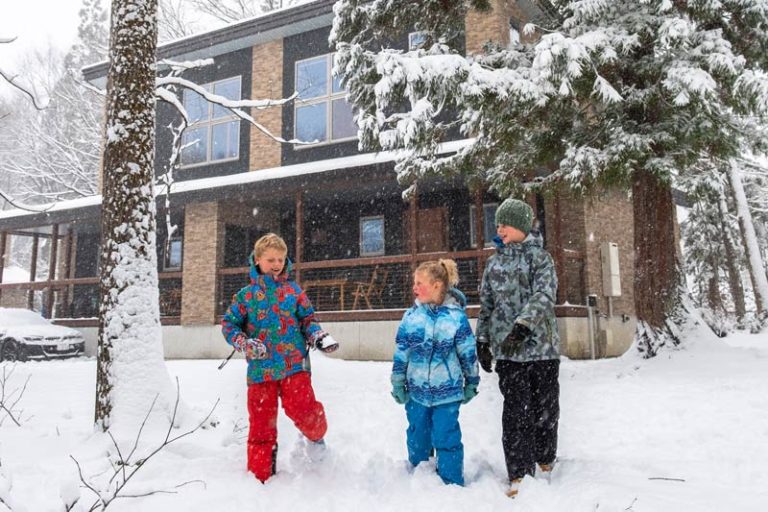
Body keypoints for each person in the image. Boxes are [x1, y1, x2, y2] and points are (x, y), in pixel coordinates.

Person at [221, 233, 339, 483]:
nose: (276, 264)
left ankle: (316, 438)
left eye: (281, 259)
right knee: (261, 426)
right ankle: (259, 478)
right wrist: (244, 342)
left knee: (305, 411)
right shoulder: (246, 296)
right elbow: (229, 325)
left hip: (294, 365)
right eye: (270, 259)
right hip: (261, 371)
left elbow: (308, 319)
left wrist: (317, 335)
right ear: (257, 260)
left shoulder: (293, 291)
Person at [475, 198, 560, 498]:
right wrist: (482, 339)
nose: (500, 228)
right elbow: (486, 304)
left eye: (506, 223)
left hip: (541, 349)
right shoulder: (494, 262)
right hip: (509, 352)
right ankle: (519, 472)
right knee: (515, 413)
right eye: (497, 223)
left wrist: (523, 325)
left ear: (523, 226)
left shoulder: (541, 259)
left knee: (544, 409)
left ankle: (545, 459)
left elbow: (544, 295)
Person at [391, 259, 480, 486]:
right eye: (415, 282)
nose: (415, 287)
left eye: (420, 283)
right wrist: (398, 383)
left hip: (447, 393)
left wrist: (471, 381)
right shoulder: (411, 318)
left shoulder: (456, 318)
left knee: (446, 436)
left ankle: (451, 482)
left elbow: (468, 352)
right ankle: (420, 479)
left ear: (437, 285)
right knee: (418, 435)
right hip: (417, 392)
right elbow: (401, 353)